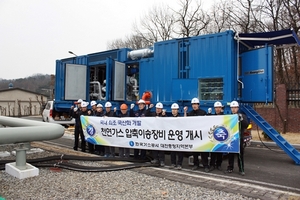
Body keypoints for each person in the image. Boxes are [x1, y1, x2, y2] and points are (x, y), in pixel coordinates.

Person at [184, 97, 209, 172]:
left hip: (202, 135)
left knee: (204, 152)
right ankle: (196, 164)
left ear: (198, 105)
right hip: (194, 135)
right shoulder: (190, 113)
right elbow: (185, 121)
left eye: (196, 104)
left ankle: (206, 165)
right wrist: (185, 112)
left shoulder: (203, 112)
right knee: (195, 151)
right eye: (193, 104)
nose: (194, 105)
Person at [225, 100, 249, 176]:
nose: (234, 109)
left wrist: (241, 119)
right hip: (231, 138)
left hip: (239, 138)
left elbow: (246, 125)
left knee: (240, 154)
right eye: (232, 108)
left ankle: (241, 169)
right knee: (231, 154)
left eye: (235, 107)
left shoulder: (242, 116)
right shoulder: (229, 117)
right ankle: (230, 167)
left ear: (237, 108)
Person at [147, 102, 167, 167]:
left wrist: (163, 116)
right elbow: (146, 115)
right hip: (154, 134)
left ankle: (162, 160)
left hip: (161, 134)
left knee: (161, 148)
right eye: (157, 108)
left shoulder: (164, 115)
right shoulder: (153, 114)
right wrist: (149, 108)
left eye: (159, 109)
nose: (158, 110)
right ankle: (155, 159)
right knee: (154, 147)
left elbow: (166, 122)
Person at [209, 101, 224, 171]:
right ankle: (212, 165)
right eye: (216, 108)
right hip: (213, 136)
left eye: (219, 107)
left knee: (220, 152)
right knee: (213, 151)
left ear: (221, 108)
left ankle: (219, 165)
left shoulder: (225, 117)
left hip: (221, 136)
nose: (217, 109)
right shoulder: (212, 117)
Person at [169, 103, 184, 170]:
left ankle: (179, 164)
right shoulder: (169, 119)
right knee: (172, 151)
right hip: (172, 137)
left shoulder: (181, 118)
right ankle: (173, 163)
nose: (174, 111)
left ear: (177, 110)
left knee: (180, 151)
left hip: (179, 137)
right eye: (173, 109)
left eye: (175, 109)